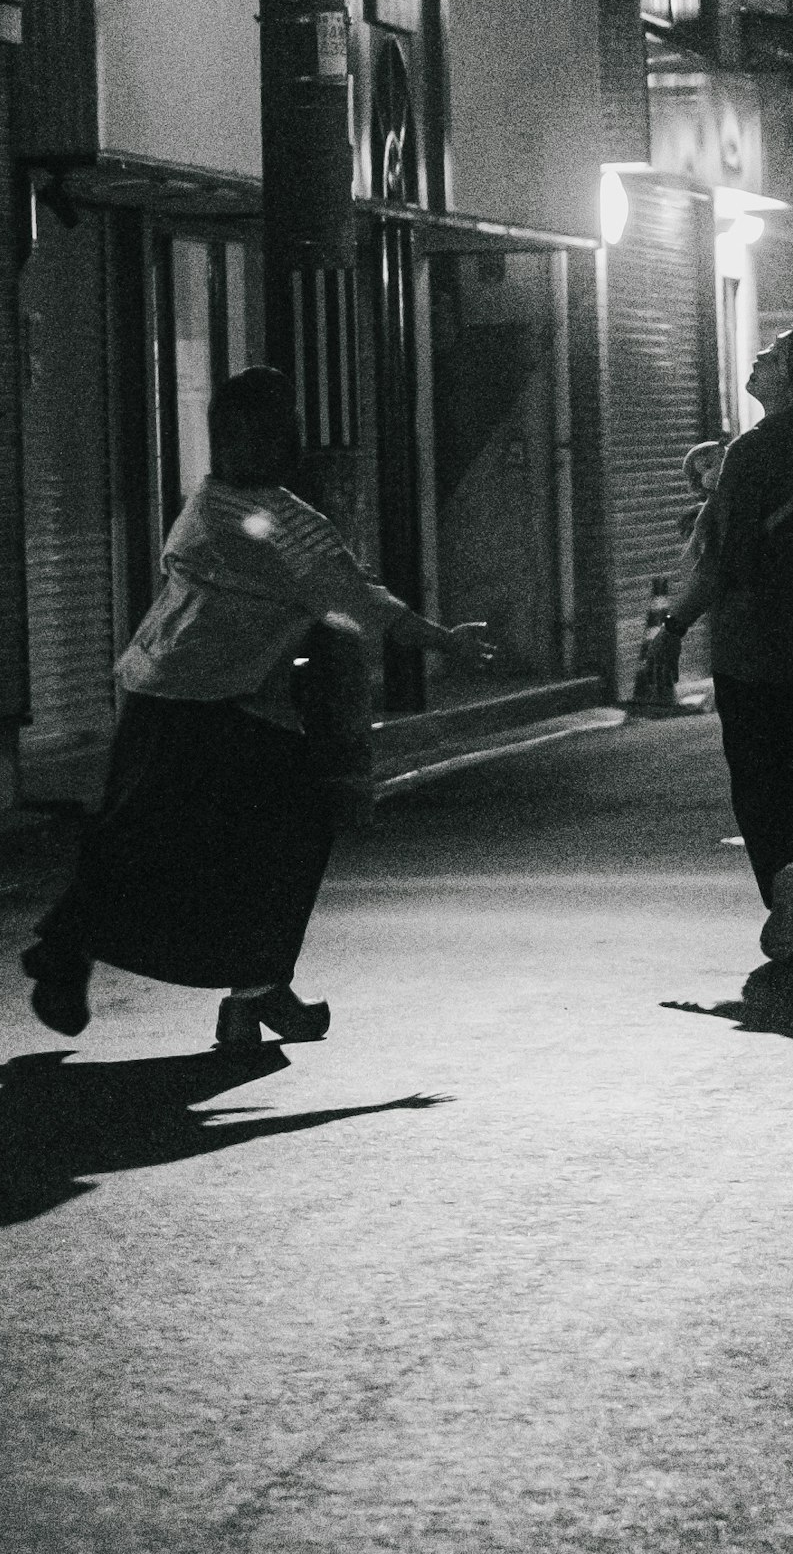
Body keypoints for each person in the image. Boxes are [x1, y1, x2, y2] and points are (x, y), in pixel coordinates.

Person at [25, 367, 496, 1052]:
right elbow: (355, 598)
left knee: (145, 839)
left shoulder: (207, 502)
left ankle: (102, 956)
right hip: (225, 708)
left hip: (160, 693)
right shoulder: (277, 523)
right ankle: (248, 985)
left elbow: (340, 591)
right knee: (282, 842)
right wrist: (442, 640)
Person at [650, 324, 793, 973]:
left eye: (772, 357)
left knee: (759, 779)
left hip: (754, 649)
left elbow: (724, 565)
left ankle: (782, 881)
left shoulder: (752, 452)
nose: (757, 358)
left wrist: (673, 626)